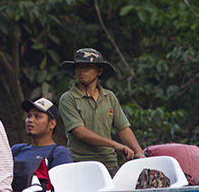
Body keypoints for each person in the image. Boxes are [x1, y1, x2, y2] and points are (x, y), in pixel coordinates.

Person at [58, 47, 146, 175]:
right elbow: (80, 133)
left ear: (99, 71)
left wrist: (139, 152)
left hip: (109, 163)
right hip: (80, 164)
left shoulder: (109, 97)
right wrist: (115, 145)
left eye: (88, 66)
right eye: (78, 66)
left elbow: (123, 128)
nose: (82, 70)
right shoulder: (68, 98)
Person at [10, 97, 73, 191]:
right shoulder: (16, 150)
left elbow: (63, 191)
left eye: (37, 116)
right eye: (29, 116)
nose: (30, 120)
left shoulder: (60, 153)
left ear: (52, 124)